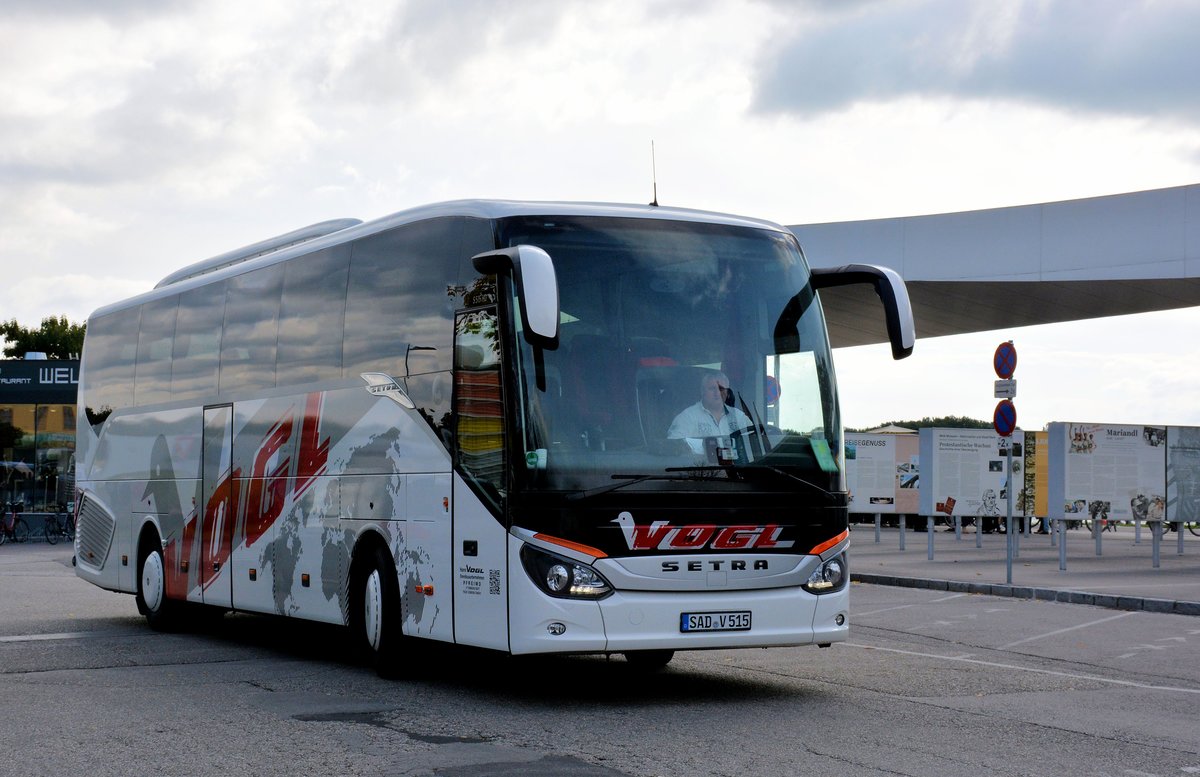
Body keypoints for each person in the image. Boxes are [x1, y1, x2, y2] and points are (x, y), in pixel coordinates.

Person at [667, 370, 752, 440]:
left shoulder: (739, 417)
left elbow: (756, 443)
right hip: (701, 461)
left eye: (721, 389)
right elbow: (675, 448)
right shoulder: (687, 418)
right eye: (712, 388)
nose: (717, 393)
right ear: (702, 391)